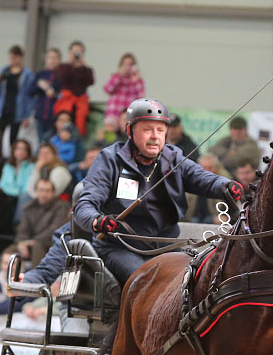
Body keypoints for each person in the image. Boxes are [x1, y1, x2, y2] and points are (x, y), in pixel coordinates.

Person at [74, 97, 239, 285]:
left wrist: (225, 185)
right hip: (121, 247)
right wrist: (97, 220)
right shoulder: (109, 159)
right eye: (147, 129)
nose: (155, 136)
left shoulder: (173, 157)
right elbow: (85, 204)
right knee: (147, 283)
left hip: (166, 247)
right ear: (130, 131)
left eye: (160, 130)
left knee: (197, 280)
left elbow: (201, 177)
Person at [16, 178, 69, 264]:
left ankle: (36, 277)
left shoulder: (61, 207)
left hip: (52, 243)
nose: (44, 194)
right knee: (11, 250)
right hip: (31, 242)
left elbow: (54, 230)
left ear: (53, 192)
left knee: (38, 246)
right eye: (41, 190)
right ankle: (10, 276)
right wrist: (22, 242)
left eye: (47, 191)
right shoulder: (29, 207)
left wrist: (34, 241)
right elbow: (22, 230)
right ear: (36, 191)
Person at [0, 45, 35, 146]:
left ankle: (12, 159)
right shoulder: (4, 70)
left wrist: (27, 115)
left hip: (17, 110)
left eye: (14, 58)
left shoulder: (27, 74)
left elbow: (30, 96)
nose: (12, 60)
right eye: (10, 58)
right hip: (4, 108)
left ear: (20, 57)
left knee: (13, 139)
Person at [54, 41, 94, 136]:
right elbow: (61, 79)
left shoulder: (86, 69)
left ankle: (78, 136)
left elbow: (90, 81)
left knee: (81, 120)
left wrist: (82, 65)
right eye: (74, 52)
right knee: (63, 118)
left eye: (79, 52)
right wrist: (69, 62)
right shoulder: (63, 67)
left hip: (81, 102)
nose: (76, 55)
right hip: (66, 100)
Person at [30, 48, 62, 143]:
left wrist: (54, 93)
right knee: (41, 140)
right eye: (50, 57)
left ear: (59, 59)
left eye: (55, 58)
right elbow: (30, 92)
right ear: (46, 59)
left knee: (49, 140)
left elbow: (63, 94)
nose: (52, 60)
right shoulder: (40, 74)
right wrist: (39, 85)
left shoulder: (61, 75)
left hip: (54, 114)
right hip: (40, 113)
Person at [187, 153, 229, 223]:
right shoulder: (189, 182)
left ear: (216, 169)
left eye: (210, 168)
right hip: (192, 220)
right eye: (203, 167)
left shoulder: (225, 185)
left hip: (214, 221)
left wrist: (226, 218)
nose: (206, 171)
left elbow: (233, 211)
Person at [103, 53, 146, 122]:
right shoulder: (115, 77)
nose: (127, 67)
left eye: (130, 64)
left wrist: (136, 81)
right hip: (113, 113)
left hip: (128, 115)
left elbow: (141, 98)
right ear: (121, 65)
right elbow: (108, 89)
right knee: (110, 132)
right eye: (125, 64)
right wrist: (118, 76)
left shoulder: (137, 80)